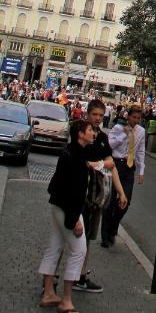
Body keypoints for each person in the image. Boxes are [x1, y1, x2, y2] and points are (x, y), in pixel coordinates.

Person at [38, 120, 95, 312]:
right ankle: (66, 300)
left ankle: (48, 293)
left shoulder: (72, 152)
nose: (93, 133)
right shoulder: (75, 157)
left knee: (55, 247)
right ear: (81, 134)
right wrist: (74, 220)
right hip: (68, 210)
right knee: (79, 250)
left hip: (59, 206)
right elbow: (72, 192)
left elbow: (56, 186)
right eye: (90, 130)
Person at [73, 99, 128, 293]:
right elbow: (78, 160)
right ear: (87, 114)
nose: (97, 118)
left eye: (100, 115)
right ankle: (62, 275)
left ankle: (81, 275)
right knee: (73, 235)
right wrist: (100, 164)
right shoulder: (81, 133)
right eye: (94, 114)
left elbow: (111, 166)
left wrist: (121, 192)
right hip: (79, 191)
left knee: (88, 236)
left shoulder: (103, 138)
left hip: (96, 195)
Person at [101, 105, 145, 248]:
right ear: (128, 116)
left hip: (129, 167)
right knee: (110, 201)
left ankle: (113, 227)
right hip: (115, 165)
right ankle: (105, 237)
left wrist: (141, 171)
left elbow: (140, 151)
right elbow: (110, 145)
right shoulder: (118, 128)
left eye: (138, 118)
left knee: (125, 202)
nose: (136, 120)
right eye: (134, 117)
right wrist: (124, 134)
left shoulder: (141, 131)